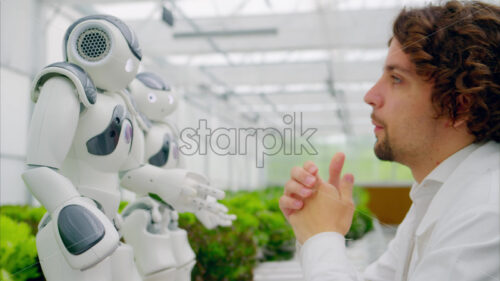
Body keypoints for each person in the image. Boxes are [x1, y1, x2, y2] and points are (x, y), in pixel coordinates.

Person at [279, 1, 500, 280]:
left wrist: (322, 236)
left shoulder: (487, 212)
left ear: (458, 106)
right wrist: (316, 231)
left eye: (396, 79)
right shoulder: (437, 193)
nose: (370, 95)